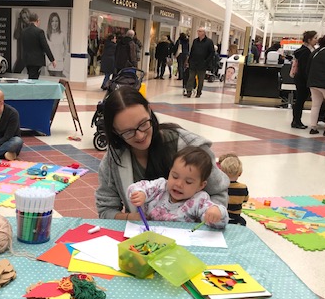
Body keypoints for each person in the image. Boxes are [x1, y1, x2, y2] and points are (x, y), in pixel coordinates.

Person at [95, 87, 229, 221]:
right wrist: (131, 217)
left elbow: (218, 194)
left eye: (143, 124)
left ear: (149, 111)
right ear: (115, 131)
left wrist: (211, 215)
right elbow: (106, 210)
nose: (140, 135)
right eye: (128, 132)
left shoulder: (191, 148)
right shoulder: (113, 159)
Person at [127, 146, 227, 228]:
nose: (178, 184)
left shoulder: (199, 200)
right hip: (149, 237)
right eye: (175, 176)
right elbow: (136, 187)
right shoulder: (160, 186)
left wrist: (216, 213)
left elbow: (219, 223)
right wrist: (140, 193)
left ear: (200, 186)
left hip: (180, 244)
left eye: (188, 182)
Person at [291, 30, 318, 129]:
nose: (316, 40)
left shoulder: (306, 50)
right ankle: (296, 121)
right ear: (309, 39)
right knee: (300, 100)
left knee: (300, 100)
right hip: (302, 80)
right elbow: (304, 68)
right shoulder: (305, 52)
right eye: (315, 38)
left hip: (301, 79)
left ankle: (296, 120)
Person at [20, 13, 56, 80]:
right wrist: (52, 59)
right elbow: (45, 46)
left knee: (31, 77)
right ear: (37, 20)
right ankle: (32, 90)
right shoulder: (39, 32)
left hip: (27, 60)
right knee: (34, 79)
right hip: (37, 61)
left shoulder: (24, 32)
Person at [218, 153, 249, 226]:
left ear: (221, 172)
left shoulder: (220, 186)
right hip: (235, 218)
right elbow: (245, 200)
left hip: (221, 217)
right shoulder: (243, 187)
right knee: (243, 222)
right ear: (240, 173)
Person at [184, 27, 215, 98]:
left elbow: (212, 52)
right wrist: (189, 61)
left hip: (202, 64)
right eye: (198, 31)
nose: (198, 32)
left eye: (200, 31)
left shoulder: (209, 42)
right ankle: (189, 91)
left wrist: (206, 61)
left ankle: (199, 92)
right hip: (193, 63)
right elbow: (192, 51)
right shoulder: (195, 41)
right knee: (191, 77)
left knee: (200, 79)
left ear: (204, 32)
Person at [45, 12, 68, 77]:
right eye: (52, 21)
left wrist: (63, 57)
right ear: (50, 22)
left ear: (59, 22)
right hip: (49, 65)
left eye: (56, 21)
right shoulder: (47, 35)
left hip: (59, 64)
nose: (54, 23)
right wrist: (47, 64)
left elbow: (66, 48)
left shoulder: (62, 34)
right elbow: (45, 50)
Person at [12, 8, 32, 73]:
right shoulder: (21, 28)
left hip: (31, 56)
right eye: (24, 18)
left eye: (27, 17)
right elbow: (16, 36)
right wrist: (19, 22)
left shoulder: (33, 27)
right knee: (16, 72)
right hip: (22, 57)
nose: (26, 19)